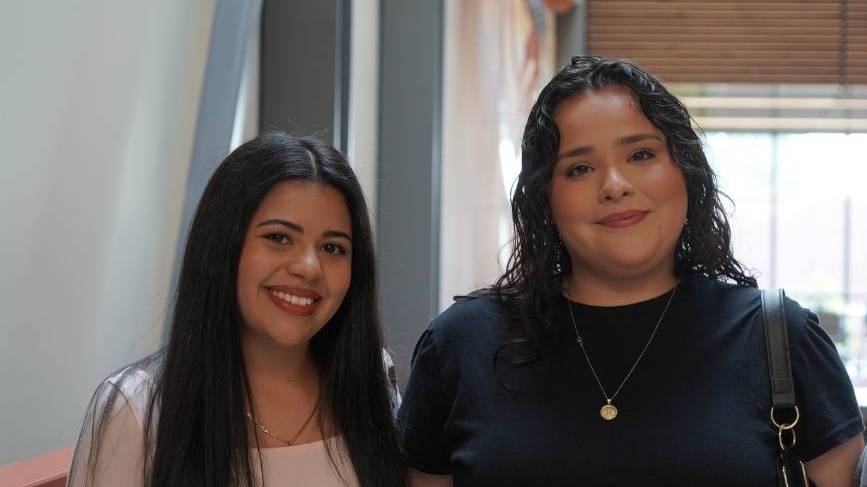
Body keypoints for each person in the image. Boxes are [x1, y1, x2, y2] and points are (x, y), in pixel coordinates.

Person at [398, 56, 865, 486]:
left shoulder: (781, 338)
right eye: (579, 168)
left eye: (641, 155)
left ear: (686, 172)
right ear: (545, 201)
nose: (615, 186)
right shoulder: (461, 345)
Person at [67, 133, 406, 487]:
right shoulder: (136, 408)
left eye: (333, 247)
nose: (309, 267)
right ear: (223, 247)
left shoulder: (372, 380)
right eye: (279, 238)